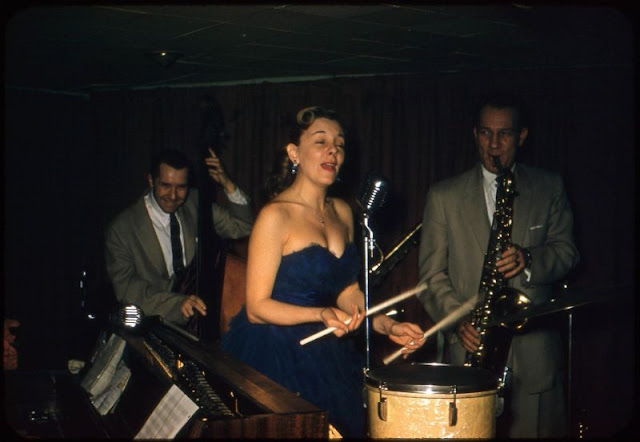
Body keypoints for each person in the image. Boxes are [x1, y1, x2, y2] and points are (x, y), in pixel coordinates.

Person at [221, 106, 425, 438]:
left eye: (339, 144)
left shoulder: (343, 212)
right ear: (294, 153)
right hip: (275, 352)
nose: (333, 151)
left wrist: (387, 325)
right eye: (321, 141)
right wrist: (321, 313)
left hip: (328, 352)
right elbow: (257, 308)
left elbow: (348, 292)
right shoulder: (275, 216)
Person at [417, 93, 579, 438]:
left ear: (521, 137)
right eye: (486, 133)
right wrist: (458, 319)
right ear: (475, 135)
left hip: (535, 362)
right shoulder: (443, 196)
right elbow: (431, 277)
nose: (494, 144)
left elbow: (567, 252)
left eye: (504, 134)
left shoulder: (548, 186)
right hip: (470, 353)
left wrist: (529, 259)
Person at [105, 148, 254, 326]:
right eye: (165, 186)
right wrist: (177, 304)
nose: (173, 196)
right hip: (151, 322)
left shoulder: (195, 202)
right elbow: (126, 288)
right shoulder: (121, 229)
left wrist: (227, 184)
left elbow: (242, 226)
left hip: (200, 319)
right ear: (151, 181)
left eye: (181, 187)